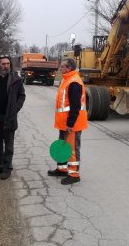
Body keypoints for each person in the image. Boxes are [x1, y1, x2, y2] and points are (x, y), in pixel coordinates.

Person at [48, 57, 88, 185]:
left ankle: (74, 174)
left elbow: (75, 106)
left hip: (72, 124)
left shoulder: (74, 82)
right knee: (63, 146)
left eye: (62, 66)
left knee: (72, 150)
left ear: (69, 68)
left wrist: (70, 124)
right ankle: (62, 169)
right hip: (64, 123)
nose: (60, 68)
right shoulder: (67, 80)